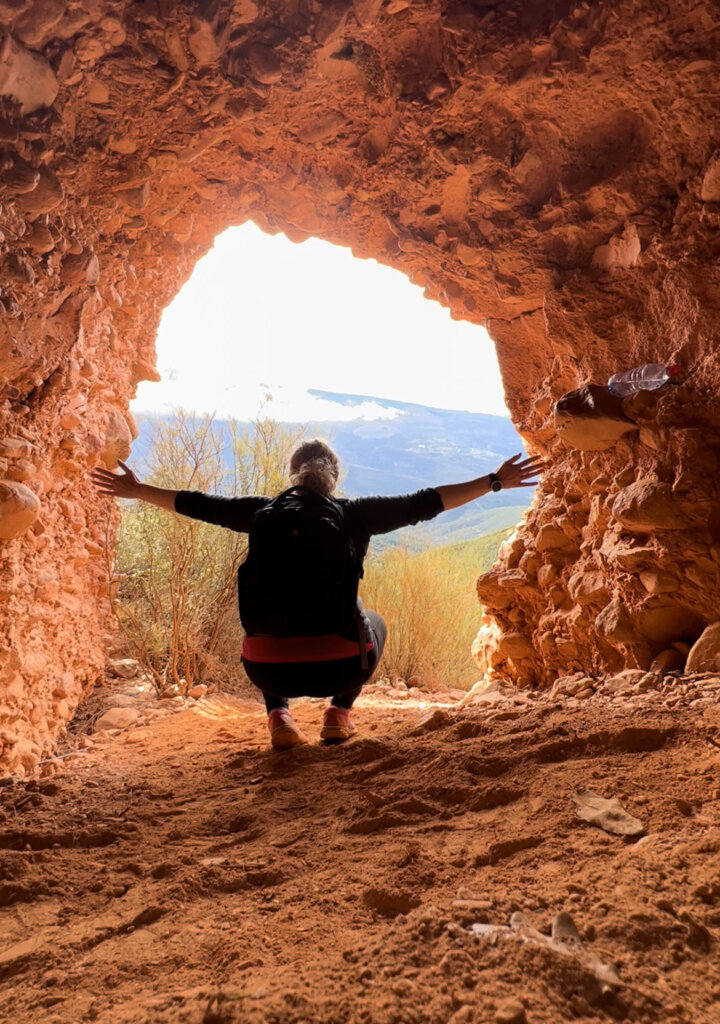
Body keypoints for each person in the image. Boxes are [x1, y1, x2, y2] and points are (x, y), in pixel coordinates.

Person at [92, 440, 543, 749]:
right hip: (341, 664)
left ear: (293, 475)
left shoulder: (260, 513)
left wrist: (135, 490)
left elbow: (194, 502)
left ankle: (278, 717)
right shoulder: (354, 515)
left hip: (266, 671)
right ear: (335, 478)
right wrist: (494, 481)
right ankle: (338, 713)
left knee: (267, 620)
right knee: (375, 621)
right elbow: (429, 501)